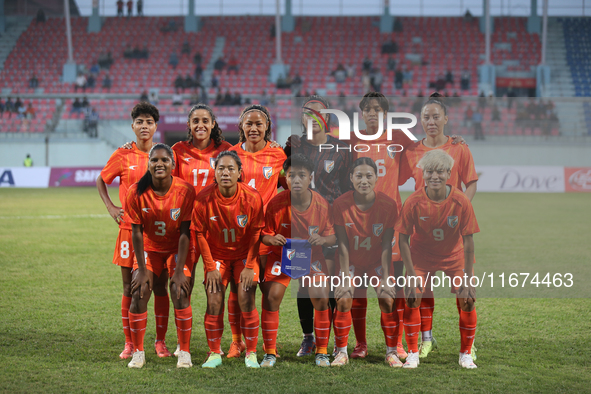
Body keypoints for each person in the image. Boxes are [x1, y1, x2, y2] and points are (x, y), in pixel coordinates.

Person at [398, 93, 478, 360]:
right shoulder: (411, 150)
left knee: (465, 293)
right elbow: (394, 178)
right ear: (420, 121)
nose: (431, 121)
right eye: (426, 117)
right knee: (421, 290)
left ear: (446, 118)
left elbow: (471, 182)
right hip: (421, 236)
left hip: (452, 236)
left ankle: (469, 346)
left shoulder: (459, 147)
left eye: (436, 116)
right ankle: (426, 339)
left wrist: (456, 210)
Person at [96, 103, 176, 362]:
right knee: (129, 287)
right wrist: (111, 207)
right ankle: (129, 343)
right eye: (139, 121)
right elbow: (101, 179)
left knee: (161, 286)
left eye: (149, 122)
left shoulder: (163, 154)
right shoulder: (122, 154)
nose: (144, 126)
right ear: (132, 126)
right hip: (129, 230)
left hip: (158, 233)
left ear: (156, 126)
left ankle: (160, 341)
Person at [285, 95, 352, 357]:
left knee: (331, 283)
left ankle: (334, 341)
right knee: (304, 286)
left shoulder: (341, 149)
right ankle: (308, 338)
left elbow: (348, 189)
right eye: (307, 112)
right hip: (301, 225)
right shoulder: (294, 147)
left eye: (319, 112)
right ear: (301, 118)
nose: (312, 116)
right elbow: (285, 180)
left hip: (331, 226)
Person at [259, 154, 336, 367]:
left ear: (310, 177)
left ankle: (321, 351)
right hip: (281, 255)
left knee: (321, 297)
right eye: (292, 175)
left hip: (313, 257)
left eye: (302, 175)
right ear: (286, 178)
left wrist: (321, 239)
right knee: (271, 297)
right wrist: (272, 239)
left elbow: (332, 237)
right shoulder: (275, 203)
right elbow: (264, 234)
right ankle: (270, 353)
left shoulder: (321, 205)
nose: (297, 180)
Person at [125, 143, 196, 369]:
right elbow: (136, 232)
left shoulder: (185, 190)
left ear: (173, 165)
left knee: (180, 291)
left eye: (164, 160)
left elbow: (185, 233)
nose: (159, 164)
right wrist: (143, 270)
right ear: (148, 164)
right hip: (149, 248)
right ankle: (138, 352)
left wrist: (178, 271)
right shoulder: (135, 191)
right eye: (154, 160)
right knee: (139, 292)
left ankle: (184, 351)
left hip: (176, 249)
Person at [195, 151, 264, 369]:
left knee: (246, 299)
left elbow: (255, 234)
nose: (225, 172)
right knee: (214, 300)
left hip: (244, 256)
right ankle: (215, 353)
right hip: (217, 256)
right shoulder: (203, 198)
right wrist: (209, 267)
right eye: (221, 168)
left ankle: (251, 352)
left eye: (230, 169)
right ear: (214, 173)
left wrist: (250, 266)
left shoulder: (252, 197)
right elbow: (198, 233)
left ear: (239, 173)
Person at [227, 105, 286, 358]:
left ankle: (267, 344)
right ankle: (236, 341)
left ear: (267, 127)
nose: (253, 128)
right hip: (238, 235)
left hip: (267, 235)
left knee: (268, 292)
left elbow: (290, 182)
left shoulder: (277, 154)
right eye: (249, 123)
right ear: (241, 126)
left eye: (258, 124)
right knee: (239, 290)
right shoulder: (231, 154)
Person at [331, 157, 401, 367]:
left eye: (368, 175)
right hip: (350, 260)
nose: (364, 180)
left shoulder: (388, 205)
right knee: (343, 298)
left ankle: (391, 353)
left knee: (387, 299)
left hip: (375, 261)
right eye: (359, 176)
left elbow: (387, 245)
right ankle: (341, 352)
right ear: (351, 178)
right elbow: (342, 243)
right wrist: (344, 278)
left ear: (376, 177)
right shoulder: (340, 204)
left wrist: (387, 278)